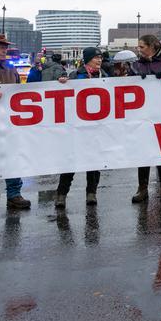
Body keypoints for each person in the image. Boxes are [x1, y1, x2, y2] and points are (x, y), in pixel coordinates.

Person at [0, 34, 31, 212]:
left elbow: (21, 92)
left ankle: (14, 195)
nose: (5, 50)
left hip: (8, 124)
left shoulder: (10, 69)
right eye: (1, 47)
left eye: (5, 47)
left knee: (12, 161)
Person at [130, 35, 161, 203]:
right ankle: (142, 188)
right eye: (138, 47)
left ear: (152, 46)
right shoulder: (136, 65)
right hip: (143, 114)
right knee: (143, 150)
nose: (139, 50)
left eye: (142, 47)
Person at [54, 47, 105, 208]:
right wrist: (62, 82)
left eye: (101, 58)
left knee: (94, 162)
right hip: (77, 126)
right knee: (71, 161)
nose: (99, 60)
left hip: (96, 127)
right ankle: (61, 195)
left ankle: (91, 193)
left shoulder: (105, 76)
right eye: (96, 58)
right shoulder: (75, 75)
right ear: (88, 59)